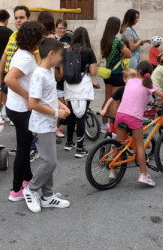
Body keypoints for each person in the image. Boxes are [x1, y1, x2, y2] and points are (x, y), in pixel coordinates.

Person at [115, 61, 163, 187]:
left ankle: (112, 169)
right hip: (133, 117)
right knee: (140, 146)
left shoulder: (131, 81)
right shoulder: (149, 85)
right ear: (150, 73)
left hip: (120, 114)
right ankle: (144, 175)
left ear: (137, 71)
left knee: (119, 144)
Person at [23, 38, 71, 213]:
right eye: (60, 55)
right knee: (50, 162)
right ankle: (31, 189)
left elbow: (48, 97)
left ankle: (48, 195)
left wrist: (61, 105)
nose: (61, 59)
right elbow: (33, 103)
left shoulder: (49, 71)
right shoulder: (38, 75)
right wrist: (58, 113)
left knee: (48, 160)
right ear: (51, 54)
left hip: (49, 123)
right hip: (42, 125)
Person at [5, 21, 45, 202]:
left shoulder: (25, 54)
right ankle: (16, 190)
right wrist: (28, 97)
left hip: (16, 107)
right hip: (21, 110)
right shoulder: (26, 58)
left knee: (25, 145)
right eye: (41, 37)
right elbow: (9, 79)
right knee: (23, 149)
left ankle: (27, 179)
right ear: (34, 39)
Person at [63, 27, 98, 158]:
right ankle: (80, 148)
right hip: (84, 86)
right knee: (81, 116)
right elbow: (94, 72)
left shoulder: (66, 51)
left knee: (72, 114)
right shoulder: (89, 51)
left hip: (70, 85)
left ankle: (69, 142)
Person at [99, 17, 132, 130]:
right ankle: (113, 127)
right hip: (117, 74)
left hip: (107, 74)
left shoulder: (104, 40)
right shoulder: (117, 41)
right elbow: (129, 54)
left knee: (107, 99)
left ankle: (104, 124)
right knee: (115, 101)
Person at [0, 5, 31, 90]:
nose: (18, 20)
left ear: (28, 19)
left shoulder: (31, 37)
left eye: (21, 17)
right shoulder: (13, 35)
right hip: (8, 76)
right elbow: (5, 55)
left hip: (23, 80)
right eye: (16, 18)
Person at [54, 19, 72, 139]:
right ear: (56, 28)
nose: (62, 30)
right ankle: (55, 128)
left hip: (67, 72)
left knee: (66, 102)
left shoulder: (68, 39)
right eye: (60, 28)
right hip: (57, 70)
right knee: (61, 104)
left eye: (64, 28)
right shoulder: (53, 39)